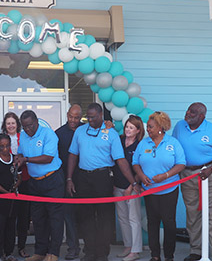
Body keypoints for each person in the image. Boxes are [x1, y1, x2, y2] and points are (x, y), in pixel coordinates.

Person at [66, 103, 140, 261]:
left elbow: (120, 160)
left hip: (104, 177)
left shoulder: (111, 134)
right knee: (86, 217)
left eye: (93, 117)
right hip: (83, 178)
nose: (90, 119)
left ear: (101, 116)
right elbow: (73, 155)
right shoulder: (80, 131)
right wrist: (69, 178)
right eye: (88, 116)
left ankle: (102, 253)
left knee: (104, 217)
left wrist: (133, 182)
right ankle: (90, 252)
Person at [172, 103, 212, 261]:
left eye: (193, 112)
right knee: (193, 214)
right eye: (188, 109)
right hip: (187, 174)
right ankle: (196, 250)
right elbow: (174, 147)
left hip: (209, 173)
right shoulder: (180, 126)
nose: (188, 113)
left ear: (202, 116)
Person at [132, 111, 186, 261]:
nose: (148, 129)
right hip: (150, 190)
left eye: (150, 127)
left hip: (169, 189)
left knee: (169, 223)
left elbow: (181, 163)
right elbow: (135, 162)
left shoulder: (173, 143)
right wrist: (141, 176)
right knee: (152, 222)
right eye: (148, 127)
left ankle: (169, 256)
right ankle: (155, 255)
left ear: (161, 127)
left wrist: (165, 176)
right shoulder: (144, 143)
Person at [15, 110, 64, 261]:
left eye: (30, 126)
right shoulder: (23, 135)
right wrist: (17, 159)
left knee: (54, 218)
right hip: (34, 182)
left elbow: (48, 158)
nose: (27, 130)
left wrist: (26, 160)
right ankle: (40, 252)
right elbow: (21, 154)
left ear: (36, 122)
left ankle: (53, 253)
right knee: (38, 219)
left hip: (52, 180)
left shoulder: (49, 134)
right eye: (24, 127)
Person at [0, 112, 31, 258]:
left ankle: (21, 247)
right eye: (8, 123)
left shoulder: (24, 137)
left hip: (24, 181)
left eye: (13, 123)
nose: (10, 125)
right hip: (5, 186)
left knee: (23, 216)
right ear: (5, 125)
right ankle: (4, 249)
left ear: (17, 125)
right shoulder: (0, 140)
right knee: (6, 218)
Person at [114, 116, 145, 261]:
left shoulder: (140, 145)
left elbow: (140, 169)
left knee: (133, 218)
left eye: (132, 127)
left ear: (138, 130)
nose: (128, 129)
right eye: (127, 126)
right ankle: (128, 245)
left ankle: (136, 250)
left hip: (131, 187)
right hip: (117, 185)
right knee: (122, 218)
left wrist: (130, 186)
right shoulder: (119, 140)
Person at [55, 104, 83, 260]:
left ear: (81, 117)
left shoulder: (87, 129)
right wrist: (66, 180)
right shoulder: (59, 134)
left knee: (86, 215)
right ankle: (73, 248)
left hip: (86, 179)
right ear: (67, 115)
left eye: (76, 117)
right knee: (69, 215)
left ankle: (90, 247)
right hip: (67, 180)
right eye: (71, 117)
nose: (73, 120)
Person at [0, 134, 22, 261]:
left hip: (13, 197)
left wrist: (15, 187)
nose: (5, 148)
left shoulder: (14, 159)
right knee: (0, 225)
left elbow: (19, 177)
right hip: (0, 198)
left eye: (7, 145)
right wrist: (5, 193)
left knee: (11, 225)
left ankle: (9, 253)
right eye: (2, 146)